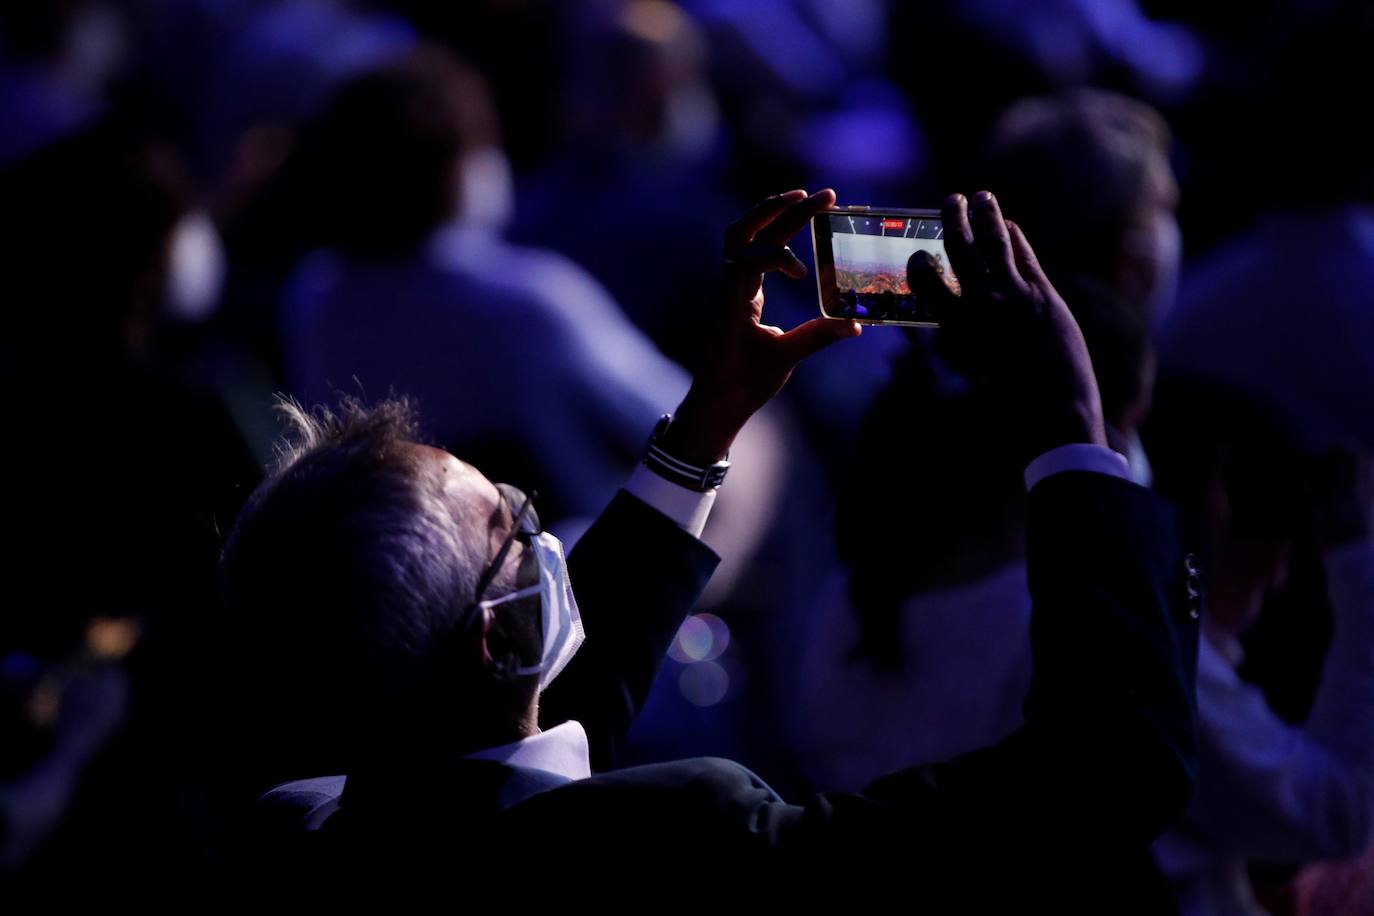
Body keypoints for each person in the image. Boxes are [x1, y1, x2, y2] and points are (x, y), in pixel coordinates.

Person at [226, 190, 1201, 905]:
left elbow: (519, 754)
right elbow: (1105, 776)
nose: (540, 521)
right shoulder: (692, 838)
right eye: (511, 521)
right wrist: (1074, 438)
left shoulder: (300, 827)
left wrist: (710, 418)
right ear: (497, 633)